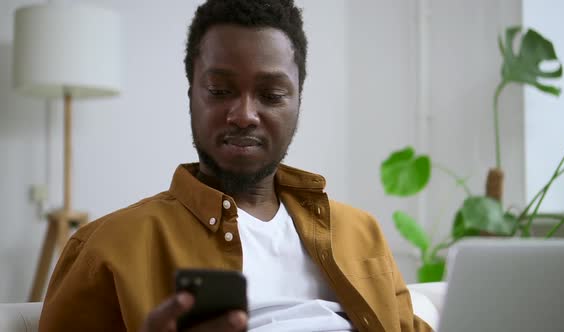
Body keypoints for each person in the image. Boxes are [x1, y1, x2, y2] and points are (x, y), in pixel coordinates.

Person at [39, 0, 432, 331]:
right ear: (192, 92)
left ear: (298, 99)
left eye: (272, 94)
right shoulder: (106, 248)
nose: (244, 114)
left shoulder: (361, 233)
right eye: (220, 91)